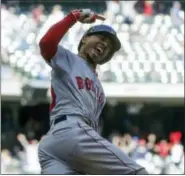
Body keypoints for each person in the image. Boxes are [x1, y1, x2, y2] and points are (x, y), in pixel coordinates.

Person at [38, 9, 148, 174]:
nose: (105, 45)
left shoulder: (100, 92)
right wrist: (74, 17)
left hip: (58, 143)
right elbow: (46, 44)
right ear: (84, 40)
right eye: (102, 39)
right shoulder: (69, 59)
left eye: (110, 47)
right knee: (137, 173)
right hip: (70, 129)